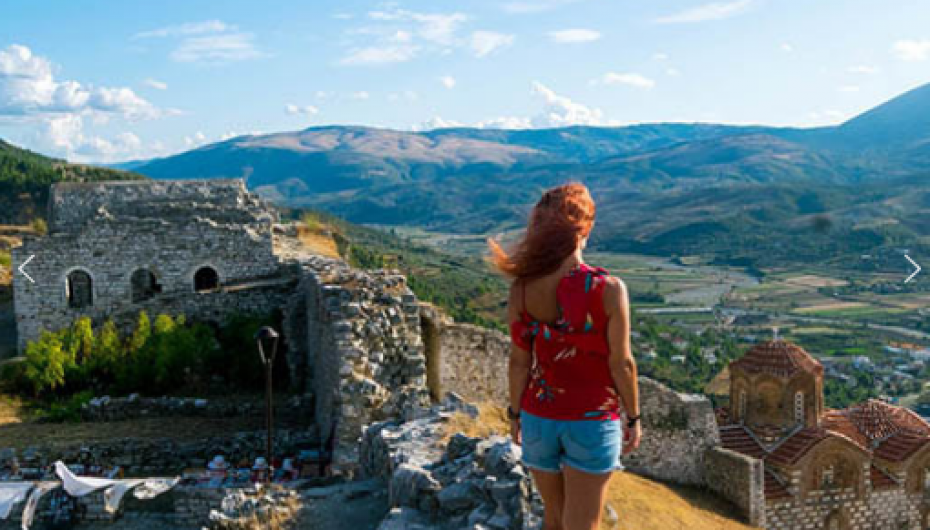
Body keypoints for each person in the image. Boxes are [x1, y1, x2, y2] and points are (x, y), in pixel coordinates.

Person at [487, 182, 642, 530]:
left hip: (538, 416)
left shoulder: (522, 290)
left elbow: (519, 361)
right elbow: (623, 363)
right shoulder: (608, 289)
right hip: (590, 419)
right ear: (584, 229)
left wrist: (515, 414)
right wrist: (633, 417)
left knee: (554, 518)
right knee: (582, 523)